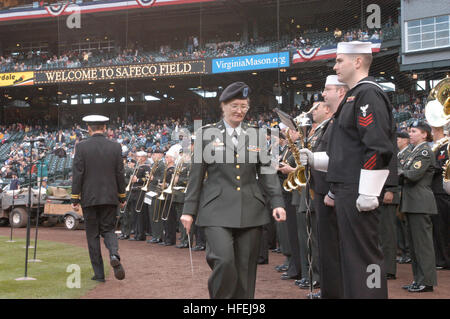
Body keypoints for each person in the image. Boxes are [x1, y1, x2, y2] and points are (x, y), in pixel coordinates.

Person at [300, 41, 396, 298]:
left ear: (357, 61)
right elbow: (347, 155)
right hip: (348, 189)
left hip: (358, 190)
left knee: (366, 260)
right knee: (353, 260)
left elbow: (377, 147)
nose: (335, 65)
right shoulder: (355, 95)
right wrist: (316, 160)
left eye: (340, 60)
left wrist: (368, 192)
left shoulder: (368, 94)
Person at [180, 82, 286, 299]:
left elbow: (267, 172)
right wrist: (188, 210)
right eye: (235, 105)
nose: (240, 111)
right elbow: (196, 176)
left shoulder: (256, 135)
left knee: (246, 270)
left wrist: (277, 202)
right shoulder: (206, 134)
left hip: (251, 210)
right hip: (216, 210)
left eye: (244, 106)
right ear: (223, 106)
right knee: (224, 261)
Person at [71, 115, 126, 282]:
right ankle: (114, 254)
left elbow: (78, 173)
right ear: (105, 128)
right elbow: (120, 173)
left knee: (92, 235)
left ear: (89, 128)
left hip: (89, 197)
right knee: (108, 230)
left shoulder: (81, 147)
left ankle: (99, 274)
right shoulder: (116, 147)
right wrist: (122, 195)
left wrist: (75, 197)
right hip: (110, 197)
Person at [399, 120, 438, 292]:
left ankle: (427, 281)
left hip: (420, 202)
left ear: (424, 134)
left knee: (422, 246)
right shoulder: (412, 152)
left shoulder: (424, 150)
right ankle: (418, 279)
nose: (410, 134)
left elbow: (413, 175)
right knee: (414, 247)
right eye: (410, 131)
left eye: (414, 131)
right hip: (411, 201)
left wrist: (396, 172)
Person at [430, 125, 450, 270]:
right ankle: (441, 258)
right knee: (438, 227)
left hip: (443, 192)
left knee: (443, 227)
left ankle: (444, 259)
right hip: (437, 191)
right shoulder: (438, 147)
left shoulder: (446, 147)